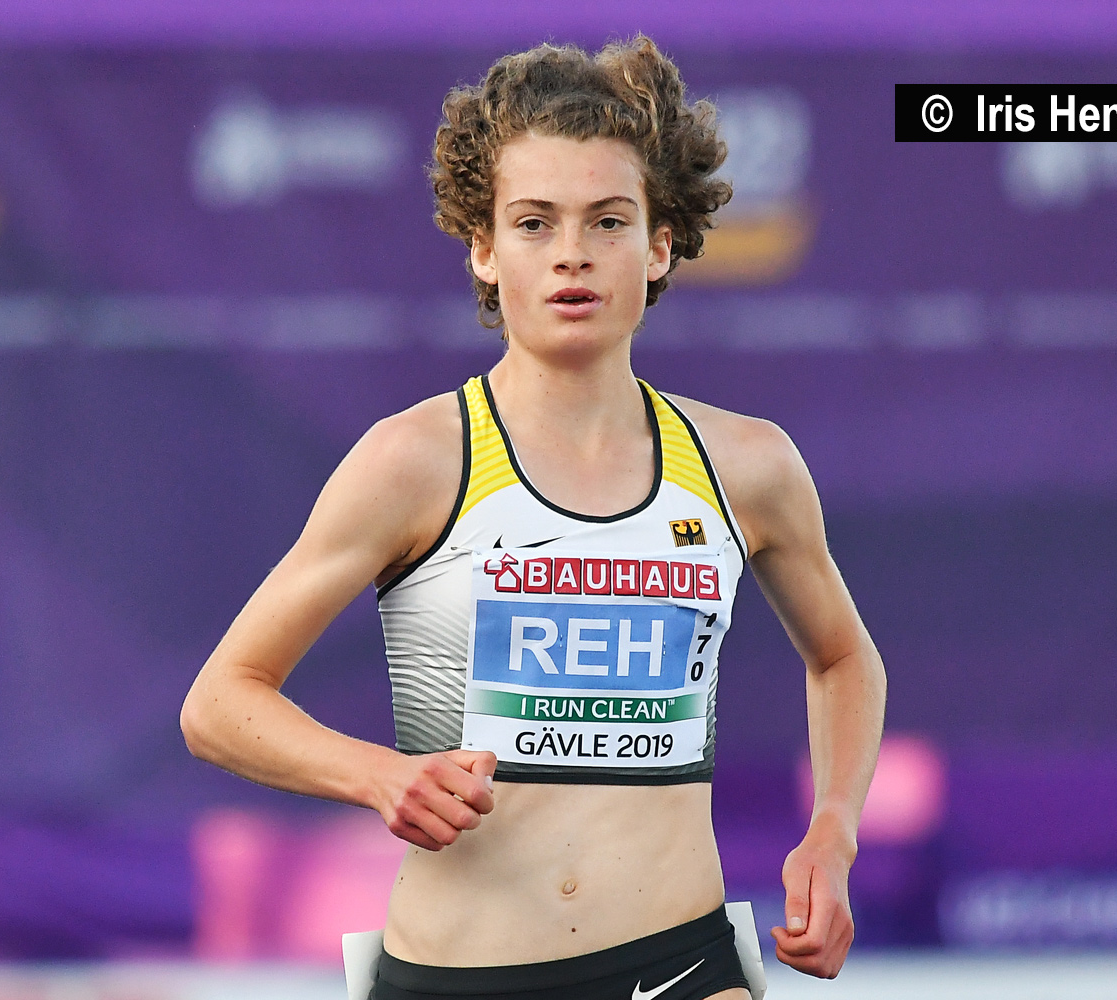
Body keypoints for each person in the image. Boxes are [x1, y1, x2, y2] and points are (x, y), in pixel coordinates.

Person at [181, 36, 885, 1000]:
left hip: (678, 964)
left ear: (660, 244)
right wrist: (377, 776)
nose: (571, 253)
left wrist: (833, 832)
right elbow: (219, 703)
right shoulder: (413, 460)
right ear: (483, 249)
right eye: (533, 222)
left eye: (608, 221)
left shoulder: (746, 466)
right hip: (458, 974)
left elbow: (843, 659)